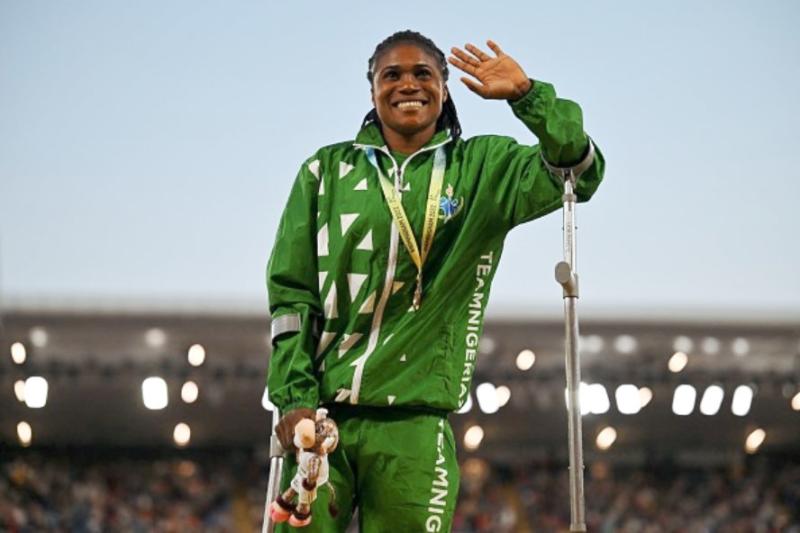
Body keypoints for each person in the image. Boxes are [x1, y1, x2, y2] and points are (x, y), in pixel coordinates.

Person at [266, 30, 605, 532]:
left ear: (444, 89)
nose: (408, 84)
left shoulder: (483, 169)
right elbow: (291, 297)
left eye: (423, 73)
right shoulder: (324, 172)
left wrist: (527, 96)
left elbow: (578, 169)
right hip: (321, 423)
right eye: (392, 75)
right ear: (372, 90)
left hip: (416, 427)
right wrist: (294, 400)